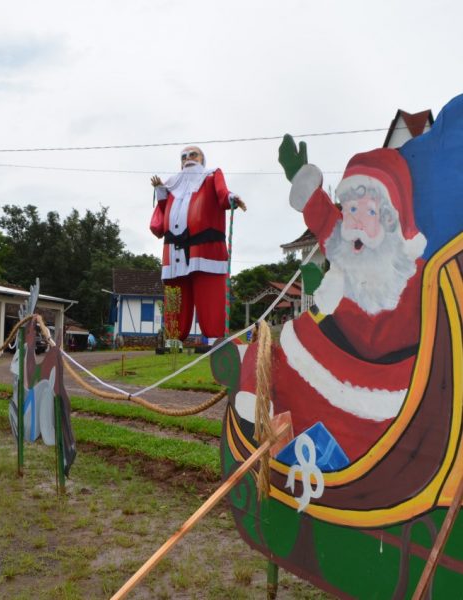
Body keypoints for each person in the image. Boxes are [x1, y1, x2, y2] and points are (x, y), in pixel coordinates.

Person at [273, 142, 427, 460]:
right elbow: (326, 221)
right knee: (288, 353)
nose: (355, 221)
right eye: (351, 210)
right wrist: (302, 182)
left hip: (393, 382)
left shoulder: (414, 272)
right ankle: (279, 440)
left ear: (389, 219)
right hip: (334, 357)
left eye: (368, 211)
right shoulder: (347, 247)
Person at [150, 146, 246, 340]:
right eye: (184, 157)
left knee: (209, 293)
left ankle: (214, 337)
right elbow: (163, 210)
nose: (188, 159)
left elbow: (222, 193)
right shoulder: (173, 184)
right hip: (174, 251)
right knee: (175, 297)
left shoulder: (211, 176)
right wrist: (160, 189)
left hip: (205, 248)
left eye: (193, 155)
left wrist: (232, 198)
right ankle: (173, 339)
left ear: (202, 160)